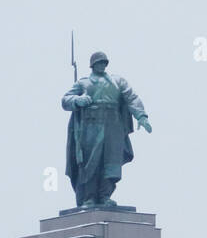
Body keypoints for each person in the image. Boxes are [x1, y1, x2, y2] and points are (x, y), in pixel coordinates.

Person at [62, 51, 152, 207]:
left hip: (113, 124)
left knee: (112, 163)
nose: (102, 65)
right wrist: (78, 100)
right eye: (99, 62)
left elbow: (131, 97)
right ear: (93, 65)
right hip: (91, 125)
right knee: (91, 163)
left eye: (104, 62)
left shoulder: (118, 81)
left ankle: (105, 196)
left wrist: (141, 116)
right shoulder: (83, 83)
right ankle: (89, 197)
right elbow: (65, 100)